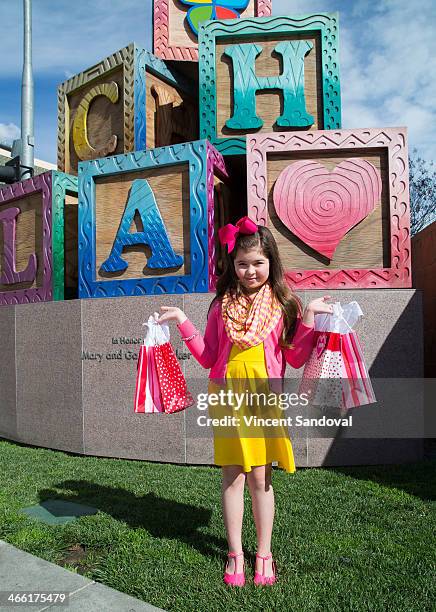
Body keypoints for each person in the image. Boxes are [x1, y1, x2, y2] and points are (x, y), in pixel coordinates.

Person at [158, 216, 333, 587]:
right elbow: (208, 357)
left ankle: (264, 553)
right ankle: (235, 553)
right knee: (232, 477)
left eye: (258, 263)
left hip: (264, 401)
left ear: (271, 262)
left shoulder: (285, 304)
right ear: (231, 266)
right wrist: (182, 321)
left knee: (260, 478)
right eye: (242, 264)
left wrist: (312, 317)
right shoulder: (221, 305)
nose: (250, 271)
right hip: (227, 399)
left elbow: (297, 357)